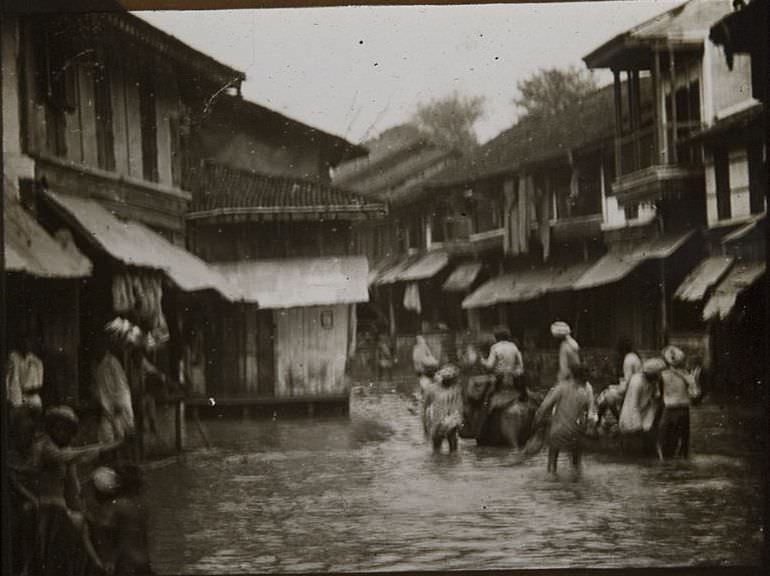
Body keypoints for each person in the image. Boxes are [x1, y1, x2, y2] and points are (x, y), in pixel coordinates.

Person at [28, 406, 120, 575]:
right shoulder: (44, 446)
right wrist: (100, 447)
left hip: (61, 507)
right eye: (58, 428)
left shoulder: (64, 450)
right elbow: (67, 455)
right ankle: (98, 565)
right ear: (51, 428)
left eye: (66, 430)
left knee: (90, 525)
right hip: (46, 506)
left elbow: (73, 488)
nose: (62, 433)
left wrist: (82, 510)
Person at [533, 361, 597, 477]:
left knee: (552, 463)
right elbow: (591, 415)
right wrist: (590, 428)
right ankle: (576, 483)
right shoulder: (586, 390)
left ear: (572, 374)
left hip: (557, 432)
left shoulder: (561, 387)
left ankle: (552, 476)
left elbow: (543, 408)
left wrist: (536, 425)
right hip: (574, 433)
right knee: (576, 466)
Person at [87, 464, 154, 576]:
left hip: (124, 564)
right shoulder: (140, 504)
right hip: (143, 561)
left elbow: (103, 530)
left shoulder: (113, 508)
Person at [658, 345, 700, 460]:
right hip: (683, 410)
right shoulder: (687, 376)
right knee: (684, 443)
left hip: (668, 410)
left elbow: (659, 395)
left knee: (665, 442)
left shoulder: (662, 375)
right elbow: (695, 394)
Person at [91, 339, 135, 445]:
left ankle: (130, 458)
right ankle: (114, 459)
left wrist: (119, 403)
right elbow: (96, 385)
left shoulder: (112, 362)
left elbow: (121, 384)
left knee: (123, 431)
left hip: (119, 403)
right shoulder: (96, 365)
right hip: (106, 404)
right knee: (106, 435)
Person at [618, 358, 665, 454]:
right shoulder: (637, 382)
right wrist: (638, 425)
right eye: (657, 374)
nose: (659, 376)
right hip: (632, 415)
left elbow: (656, 396)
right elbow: (633, 405)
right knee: (636, 437)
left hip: (645, 411)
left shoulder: (653, 381)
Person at [597, 338, 642, 428]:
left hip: (632, 390)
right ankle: (600, 421)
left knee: (607, 396)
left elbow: (627, 383)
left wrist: (614, 388)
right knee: (608, 394)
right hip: (637, 387)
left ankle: (618, 420)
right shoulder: (635, 356)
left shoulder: (628, 360)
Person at [423, 365, 464, 453]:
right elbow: (424, 408)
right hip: (438, 424)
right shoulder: (431, 389)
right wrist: (425, 428)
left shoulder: (456, 389)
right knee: (437, 452)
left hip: (451, 422)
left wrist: (459, 422)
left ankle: (449, 464)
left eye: (451, 376)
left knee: (452, 452)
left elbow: (460, 407)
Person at [480, 326, 525, 399]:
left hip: (499, 378)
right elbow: (521, 364)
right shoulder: (513, 346)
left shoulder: (494, 347)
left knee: (485, 395)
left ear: (496, 336)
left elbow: (489, 366)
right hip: (513, 378)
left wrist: (482, 361)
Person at [6, 333, 45, 411]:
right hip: (19, 397)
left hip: (33, 396)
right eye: (23, 343)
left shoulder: (35, 360)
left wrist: (35, 388)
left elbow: (39, 383)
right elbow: (11, 380)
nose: (27, 345)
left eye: (29, 343)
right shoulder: (13, 358)